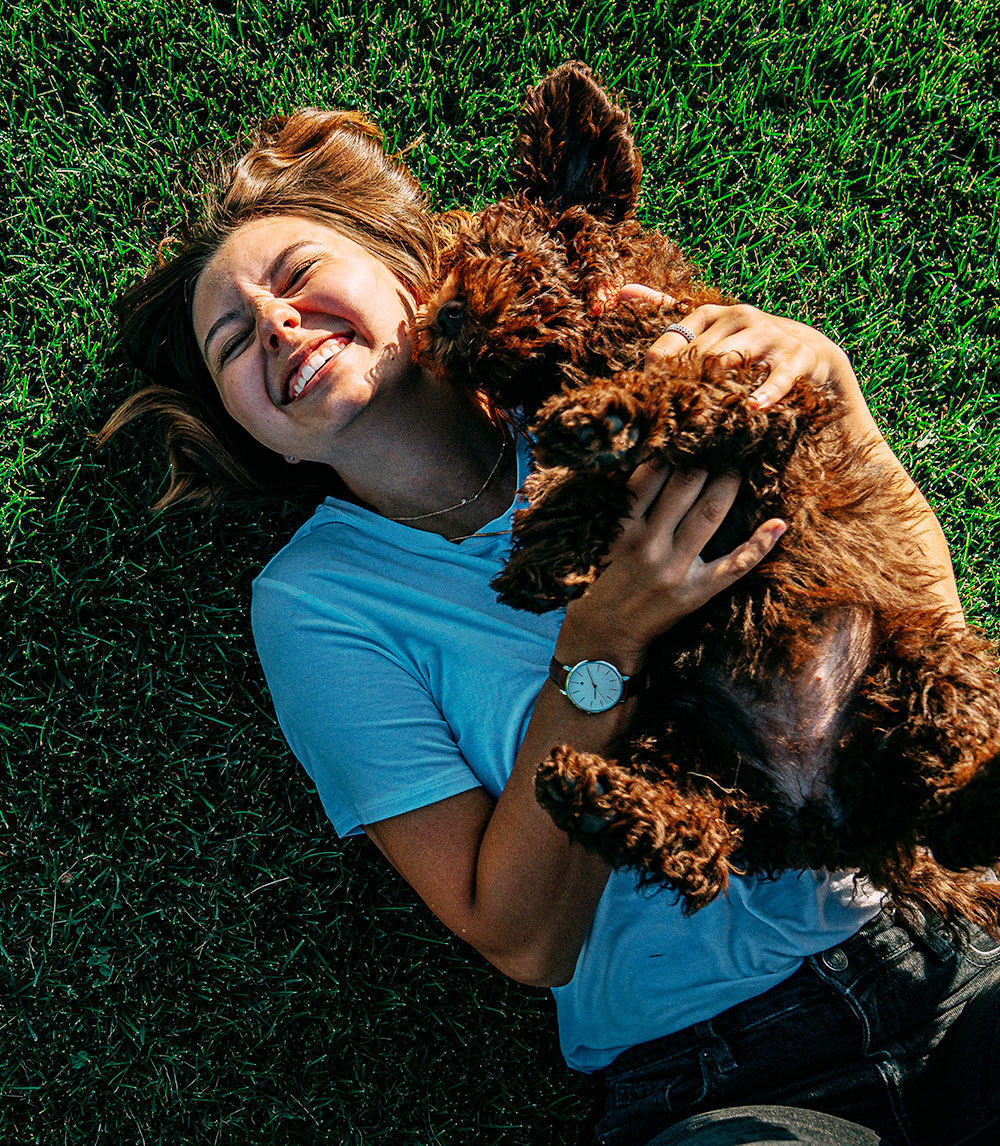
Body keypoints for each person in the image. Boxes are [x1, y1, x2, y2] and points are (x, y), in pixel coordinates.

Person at [100, 107, 1000, 1146]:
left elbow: (915, 624)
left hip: (940, 929)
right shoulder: (315, 606)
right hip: (718, 1064)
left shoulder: (604, 373)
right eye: (233, 344)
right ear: (253, 433)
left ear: (408, 279)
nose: (278, 325)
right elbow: (521, 940)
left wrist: (836, 397)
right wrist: (598, 647)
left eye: (300, 271)